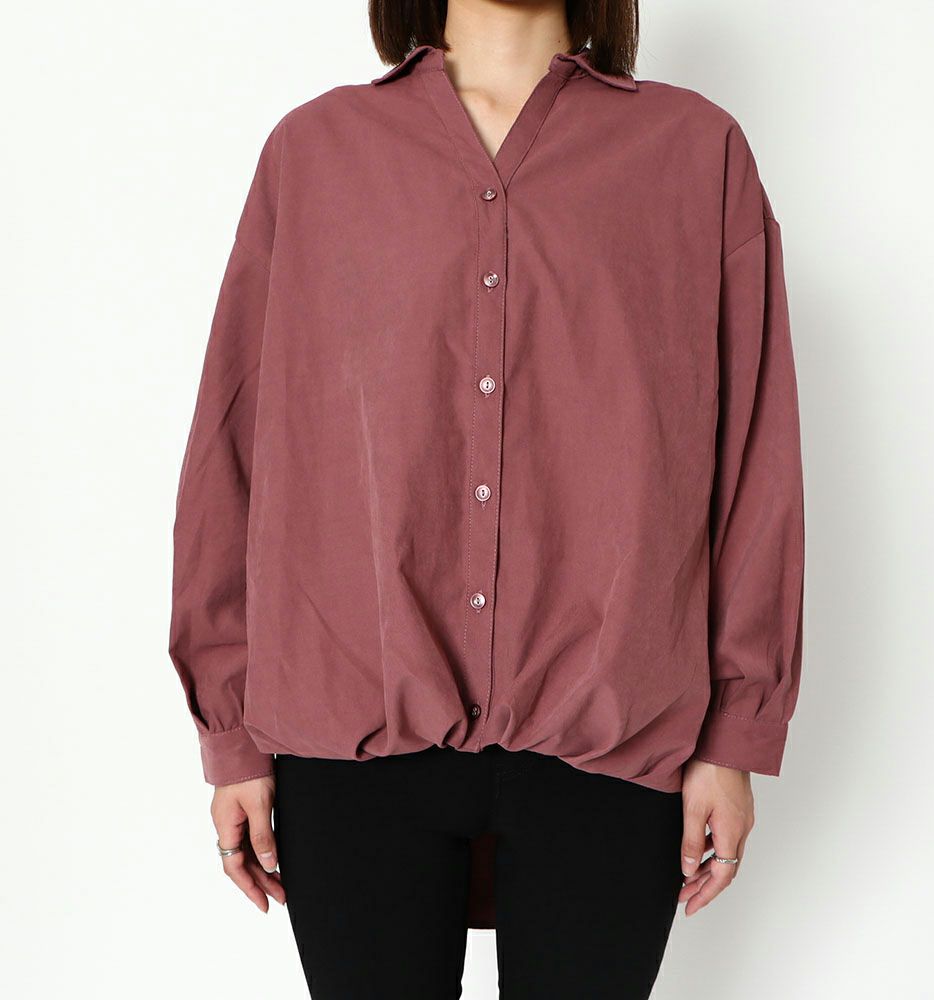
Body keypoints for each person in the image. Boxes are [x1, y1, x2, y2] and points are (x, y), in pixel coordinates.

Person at [167, 1, 805, 996]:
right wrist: (230, 731)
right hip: (352, 734)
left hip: (614, 735)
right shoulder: (316, 152)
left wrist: (736, 733)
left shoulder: (695, 152)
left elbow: (754, 453)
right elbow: (233, 439)